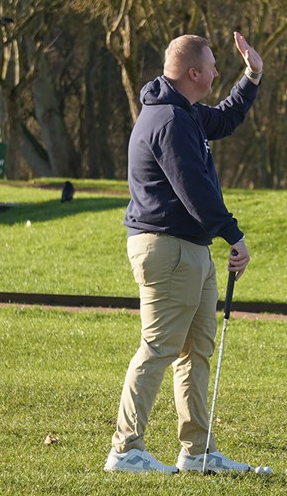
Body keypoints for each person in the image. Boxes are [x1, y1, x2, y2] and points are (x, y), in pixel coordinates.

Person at [104, 32, 262, 474]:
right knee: (158, 348)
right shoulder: (170, 121)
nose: (216, 72)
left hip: (189, 249)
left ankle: (197, 451)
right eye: (212, 66)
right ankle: (125, 449)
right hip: (168, 247)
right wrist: (234, 234)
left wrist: (252, 76)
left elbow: (227, 120)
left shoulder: (185, 112)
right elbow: (195, 190)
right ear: (193, 73)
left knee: (196, 351)